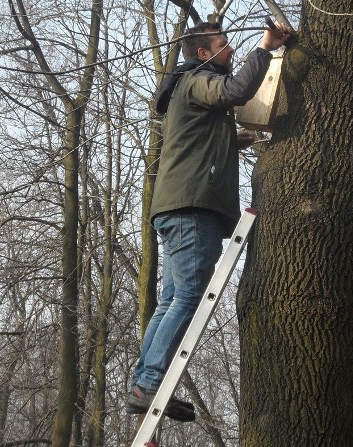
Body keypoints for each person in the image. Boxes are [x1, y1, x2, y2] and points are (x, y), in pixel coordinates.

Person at [127, 20, 291, 418]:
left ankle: (142, 382)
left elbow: (193, 139)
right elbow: (235, 91)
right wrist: (266, 49)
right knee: (185, 297)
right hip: (191, 208)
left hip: (178, 207)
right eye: (224, 44)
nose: (230, 49)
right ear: (205, 53)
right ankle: (148, 384)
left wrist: (230, 140)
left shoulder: (185, 90)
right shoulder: (197, 80)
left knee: (171, 299)